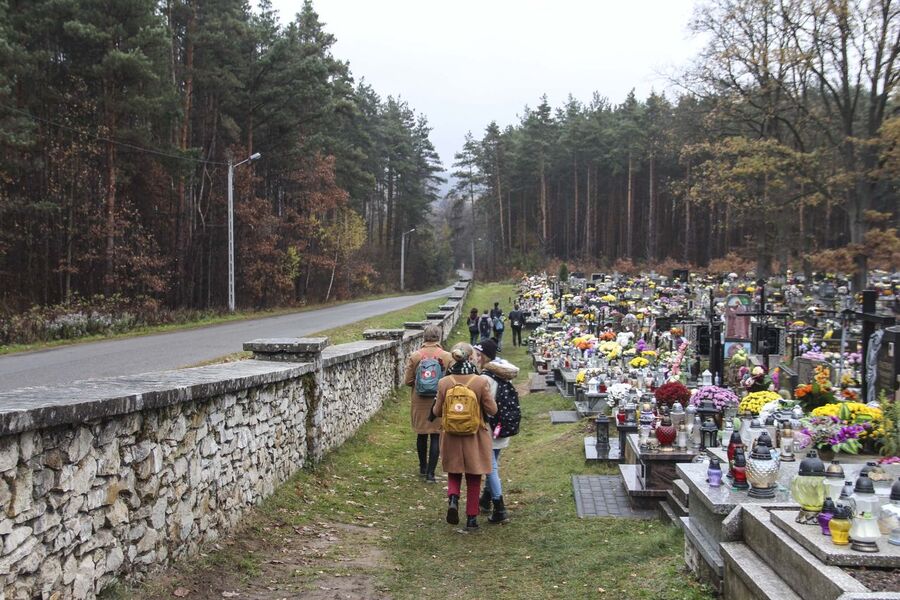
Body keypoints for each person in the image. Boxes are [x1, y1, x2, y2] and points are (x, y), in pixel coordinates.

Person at [432, 343, 497, 530]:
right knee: (474, 476)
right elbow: (492, 409)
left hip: (451, 435)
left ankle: (453, 498)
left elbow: (437, 411)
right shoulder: (480, 381)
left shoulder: (444, 382)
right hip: (475, 435)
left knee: (454, 471)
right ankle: (471, 518)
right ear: (470, 358)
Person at [473, 339, 519, 524]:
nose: (474, 358)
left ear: (483, 356)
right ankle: (485, 500)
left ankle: (500, 508)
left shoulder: (485, 378)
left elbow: (481, 404)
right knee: (493, 464)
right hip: (501, 429)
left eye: (477, 355)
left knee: (490, 468)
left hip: (489, 429)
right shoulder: (501, 375)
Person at [404, 325, 452, 483]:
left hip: (419, 400)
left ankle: (422, 467)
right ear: (439, 336)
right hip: (439, 399)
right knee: (436, 435)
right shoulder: (447, 356)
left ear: (424, 337)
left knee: (421, 433)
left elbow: (408, 381)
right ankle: (431, 474)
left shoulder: (416, 356)